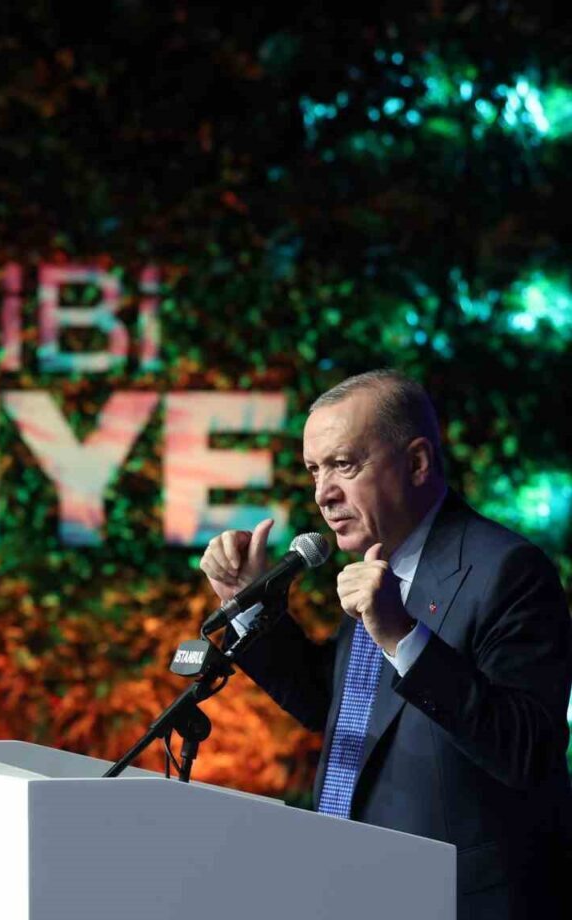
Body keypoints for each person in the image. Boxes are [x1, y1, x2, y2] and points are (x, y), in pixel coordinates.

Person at [200, 370, 572, 919]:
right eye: (315, 469)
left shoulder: (508, 571)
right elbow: (335, 707)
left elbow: (527, 751)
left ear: (417, 462)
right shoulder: (380, 562)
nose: (323, 494)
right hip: (358, 886)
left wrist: (402, 635)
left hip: (457, 901)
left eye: (344, 465)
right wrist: (247, 603)